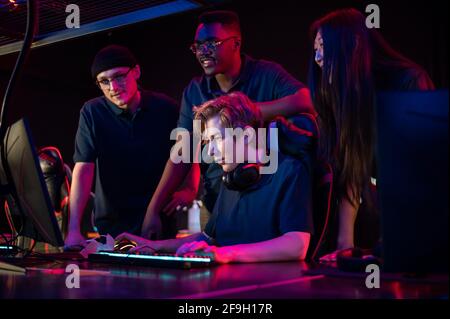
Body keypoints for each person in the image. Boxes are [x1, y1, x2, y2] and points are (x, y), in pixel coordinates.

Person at [141, 10, 314, 239]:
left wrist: (247, 111)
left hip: (265, 199)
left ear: (236, 43)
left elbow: (304, 99)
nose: (203, 52)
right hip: (219, 200)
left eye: (212, 43)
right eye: (198, 45)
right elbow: (182, 151)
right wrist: (152, 210)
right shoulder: (195, 91)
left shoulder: (265, 74)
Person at [117, 92, 313, 263]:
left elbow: (297, 244)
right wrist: (154, 247)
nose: (210, 151)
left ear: (246, 136)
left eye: (216, 139)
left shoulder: (289, 172)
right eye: (207, 142)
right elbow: (207, 238)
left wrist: (225, 254)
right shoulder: (231, 179)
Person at [308, 8, 435, 261]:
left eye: (323, 46)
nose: (318, 58)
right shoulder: (342, 98)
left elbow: (417, 175)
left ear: (354, 44)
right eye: (315, 50)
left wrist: (393, 244)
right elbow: (350, 172)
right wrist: (345, 247)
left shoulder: (406, 82)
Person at [65, 45, 179, 248]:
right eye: (104, 81)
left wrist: (189, 188)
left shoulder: (166, 108)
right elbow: (83, 168)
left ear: (136, 71)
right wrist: (73, 230)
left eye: (119, 77)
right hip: (112, 224)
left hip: (158, 221)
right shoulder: (92, 112)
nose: (113, 87)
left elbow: (187, 154)